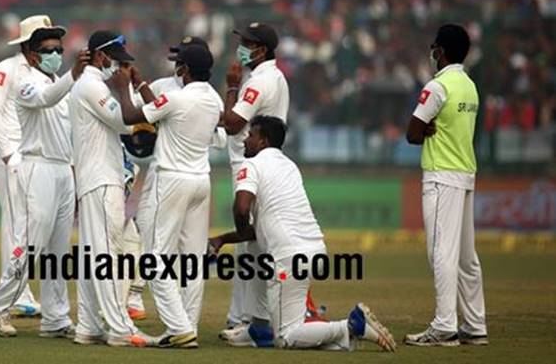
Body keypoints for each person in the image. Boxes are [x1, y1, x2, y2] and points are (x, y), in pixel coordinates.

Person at [209, 116, 396, 352]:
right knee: (299, 328)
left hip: (288, 260)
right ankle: (345, 339)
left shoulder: (252, 165)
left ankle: (350, 326)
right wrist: (224, 239)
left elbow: (241, 207)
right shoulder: (289, 166)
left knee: (285, 337)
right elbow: (260, 230)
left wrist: (241, 228)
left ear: (263, 141)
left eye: (251, 135)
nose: (245, 140)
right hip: (315, 252)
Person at [0, 18, 87, 339]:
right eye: (48, 49)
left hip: (61, 169)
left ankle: (56, 318)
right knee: (30, 242)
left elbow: (67, 127)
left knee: (58, 249)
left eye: (59, 48)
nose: (56, 53)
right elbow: (42, 99)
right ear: (29, 49)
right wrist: (9, 155)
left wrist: (74, 169)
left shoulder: (56, 78)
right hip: (34, 165)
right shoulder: (23, 79)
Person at [114, 41, 223, 348]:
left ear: (184, 69)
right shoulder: (213, 99)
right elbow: (164, 107)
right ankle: (188, 325)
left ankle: (179, 329)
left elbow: (132, 115)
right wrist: (142, 84)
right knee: (192, 260)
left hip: (172, 180)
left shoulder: (177, 98)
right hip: (201, 182)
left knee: (153, 258)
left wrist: (124, 88)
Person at [68, 30, 154, 347]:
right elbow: (125, 122)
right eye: (117, 62)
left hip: (96, 179)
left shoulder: (88, 86)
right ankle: (119, 329)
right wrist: (126, 89)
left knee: (94, 256)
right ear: (102, 56)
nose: (120, 69)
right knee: (108, 255)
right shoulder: (91, 85)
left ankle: (88, 326)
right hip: (102, 180)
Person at [404, 24, 488, 347]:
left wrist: (424, 131)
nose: (432, 53)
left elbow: (413, 132)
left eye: (434, 48)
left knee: (441, 252)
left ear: (441, 51)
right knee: (466, 256)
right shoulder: (469, 85)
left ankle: (444, 325)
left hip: (442, 176)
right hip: (466, 173)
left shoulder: (438, 87)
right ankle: (475, 324)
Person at [219, 22, 290, 338]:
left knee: (251, 244)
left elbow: (233, 124)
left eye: (247, 43)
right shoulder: (275, 77)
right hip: (265, 164)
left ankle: (248, 320)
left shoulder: (257, 82)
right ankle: (242, 316)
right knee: (249, 245)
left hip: (250, 164)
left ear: (261, 50)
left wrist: (231, 87)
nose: (241, 48)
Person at [0, 16, 50, 317]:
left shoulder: (46, 76)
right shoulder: (5, 70)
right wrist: (9, 154)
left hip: (35, 157)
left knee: (33, 222)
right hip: (8, 154)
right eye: (43, 41)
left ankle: (20, 289)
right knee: (16, 221)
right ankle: (17, 293)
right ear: (27, 44)